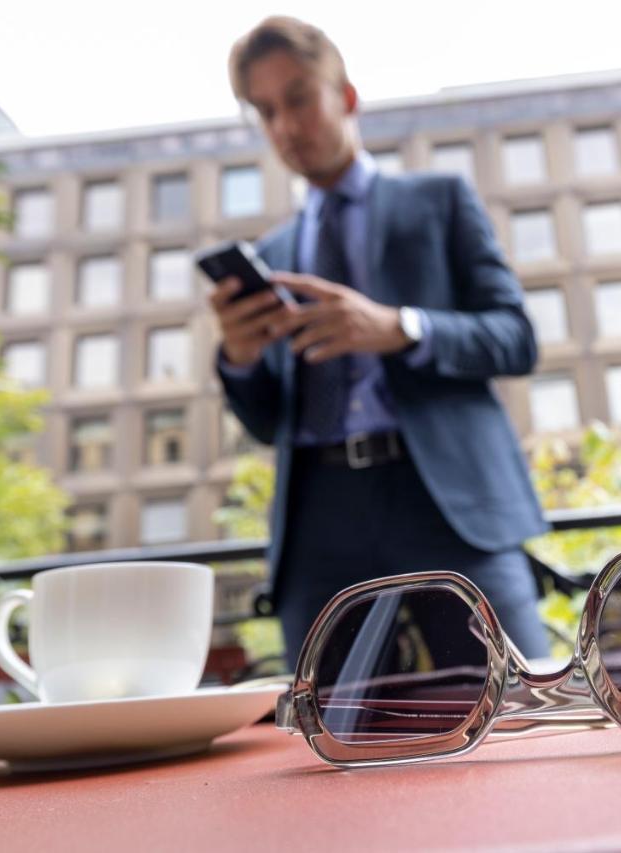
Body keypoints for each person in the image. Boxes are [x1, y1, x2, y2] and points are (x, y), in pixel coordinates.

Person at [213, 16, 551, 668]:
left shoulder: (438, 200)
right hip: (319, 518)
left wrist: (400, 327)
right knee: (334, 736)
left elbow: (516, 338)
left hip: (446, 503)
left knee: (520, 718)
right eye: (266, 111)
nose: (285, 125)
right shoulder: (273, 255)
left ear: (346, 96)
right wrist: (240, 357)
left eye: (299, 98)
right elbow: (265, 420)